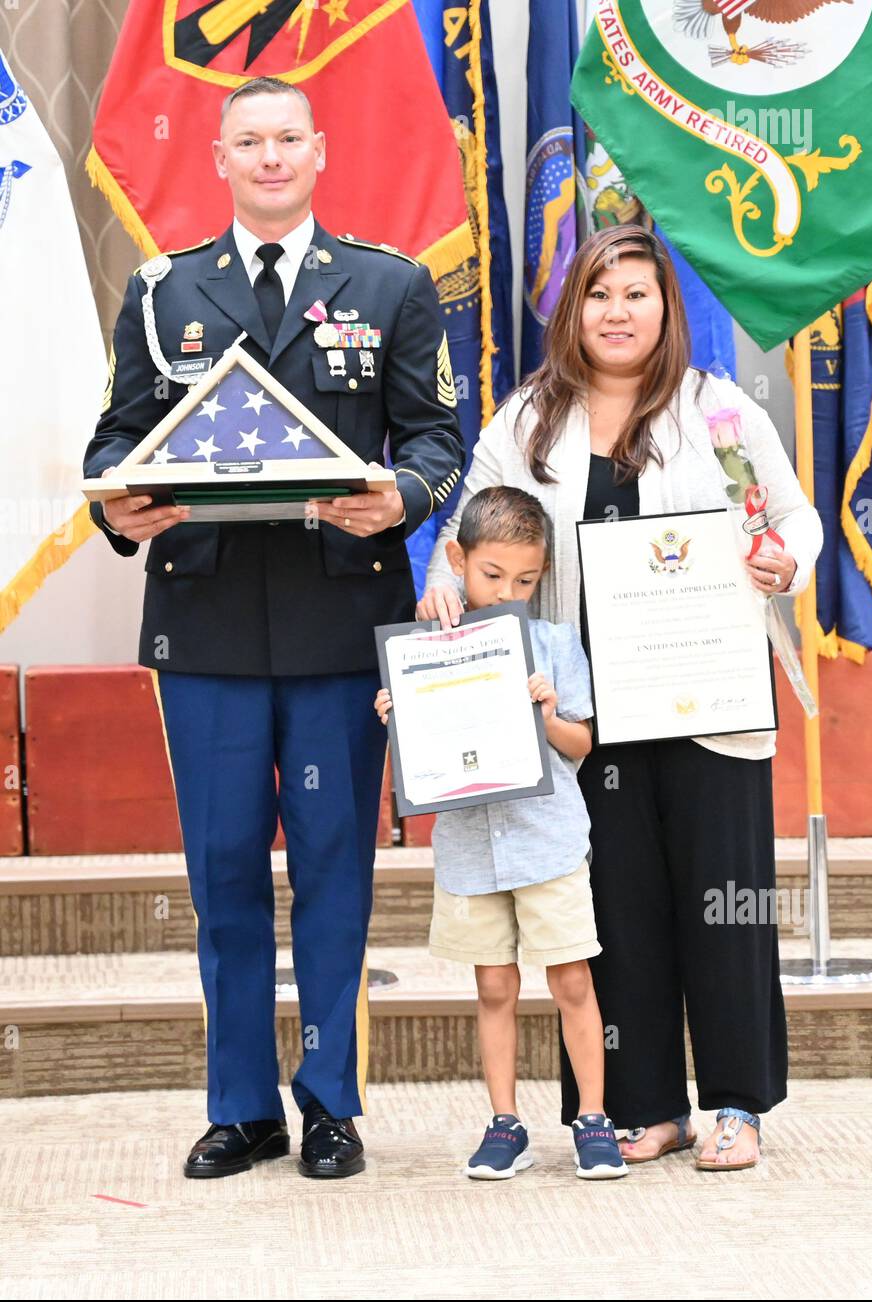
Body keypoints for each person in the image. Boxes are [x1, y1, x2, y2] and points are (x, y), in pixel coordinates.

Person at [83, 76, 464, 1180]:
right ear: (218, 158)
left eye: (285, 138)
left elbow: (436, 439)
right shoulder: (163, 293)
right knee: (223, 874)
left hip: (341, 625)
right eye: (246, 141)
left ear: (319, 151)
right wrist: (117, 498)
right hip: (203, 630)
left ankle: (331, 1102)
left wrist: (402, 498)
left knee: (337, 872)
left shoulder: (390, 286)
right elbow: (120, 444)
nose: (267, 157)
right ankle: (242, 1103)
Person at [419, 225, 823, 1172]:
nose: (616, 311)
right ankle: (640, 1101)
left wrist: (781, 561)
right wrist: (442, 580)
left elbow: (794, 515)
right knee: (614, 908)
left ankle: (733, 1103)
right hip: (575, 715)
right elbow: (465, 532)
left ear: (664, 308)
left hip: (704, 697)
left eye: (635, 293)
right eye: (598, 294)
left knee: (721, 900)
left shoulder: (717, 412)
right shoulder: (523, 423)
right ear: (572, 310)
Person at [375, 487, 626, 1180]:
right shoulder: (424, 647)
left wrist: (544, 711)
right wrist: (398, 710)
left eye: (524, 579)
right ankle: (503, 1123)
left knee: (572, 979)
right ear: (456, 559)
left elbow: (581, 743)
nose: (507, 591)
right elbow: (419, 754)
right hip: (468, 848)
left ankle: (593, 1120)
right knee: (493, 986)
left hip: (546, 842)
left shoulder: (551, 644)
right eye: (491, 575)